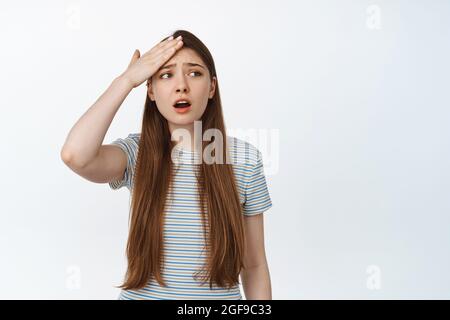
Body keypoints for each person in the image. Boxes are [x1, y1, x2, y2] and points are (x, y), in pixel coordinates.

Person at [60, 29, 273, 300]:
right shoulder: (136, 153)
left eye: (194, 73)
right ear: (150, 90)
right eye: (166, 75)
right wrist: (126, 80)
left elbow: (254, 266)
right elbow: (75, 155)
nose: (181, 85)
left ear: (211, 88)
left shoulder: (244, 159)